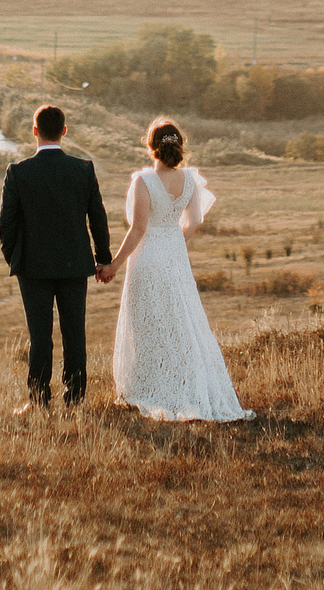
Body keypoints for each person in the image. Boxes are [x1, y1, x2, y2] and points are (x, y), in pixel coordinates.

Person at [109, 117, 252, 422]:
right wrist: (175, 239)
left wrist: (114, 264)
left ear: (152, 148)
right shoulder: (189, 179)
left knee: (148, 322)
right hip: (175, 258)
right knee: (180, 320)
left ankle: (150, 386)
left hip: (147, 258)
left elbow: (138, 230)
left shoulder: (144, 181)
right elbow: (196, 220)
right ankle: (183, 385)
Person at [0, 103, 113, 413]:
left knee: (40, 337)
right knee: (75, 333)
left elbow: (5, 223)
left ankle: (37, 402)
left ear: (35, 131)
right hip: (75, 265)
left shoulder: (18, 172)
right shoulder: (83, 169)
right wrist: (103, 259)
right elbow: (97, 218)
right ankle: (74, 401)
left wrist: (15, 258)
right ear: (64, 131)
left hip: (32, 267)